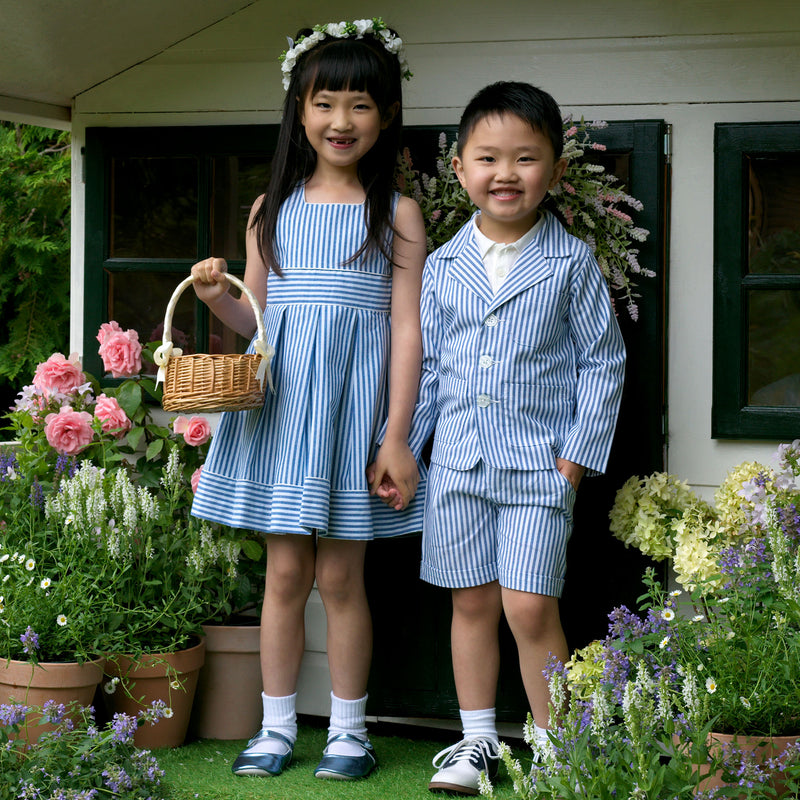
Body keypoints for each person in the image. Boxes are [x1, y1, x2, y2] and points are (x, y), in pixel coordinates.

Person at [189, 18, 425, 782]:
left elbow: (407, 331)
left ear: (385, 116)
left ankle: (350, 732)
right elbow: (252, 323)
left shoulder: (397, 213)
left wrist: (395, 436)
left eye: (360, 104)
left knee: (340, 578)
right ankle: (278, 724)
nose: (342, 121)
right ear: (300, 111)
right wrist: (214, 293)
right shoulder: (271, 210)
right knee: (286, 577)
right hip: (283, 415)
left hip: (354, 419)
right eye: (326, 103)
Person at [402, 81, 626, 795]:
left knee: (529, 605)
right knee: (470, 603)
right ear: (461, 169)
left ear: (555, 171)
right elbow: (430, 368)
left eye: (526, 158)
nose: (506, 173)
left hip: (538, 470)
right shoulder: (441, 267)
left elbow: (603, 363)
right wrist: (406, 445)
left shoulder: (569, 264)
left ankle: (561, 747)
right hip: (458, 465)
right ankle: (475, 745)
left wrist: (572, 464)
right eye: (489, 158)